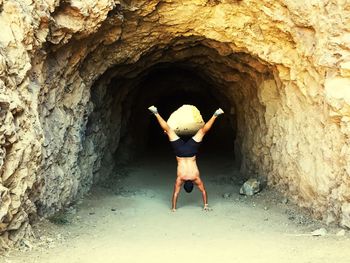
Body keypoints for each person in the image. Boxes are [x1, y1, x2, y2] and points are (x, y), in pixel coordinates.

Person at [148, 105, 224, 212]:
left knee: (202, 131)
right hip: (180, 152)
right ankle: (156, 112)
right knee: (169, 130)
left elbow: (203, 191)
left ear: (193, 184)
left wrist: (206, 204)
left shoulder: (196, 178)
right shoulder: (180, 178)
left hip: (191, 151)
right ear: (184, 185)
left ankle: (216, 114)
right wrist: (173, 208)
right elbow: (175, 193)